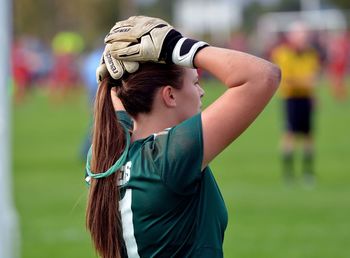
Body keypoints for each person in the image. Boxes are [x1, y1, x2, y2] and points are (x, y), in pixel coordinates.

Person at [85, 16, 280, 258]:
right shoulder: (168, 158)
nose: (202, 92)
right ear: (170, 96)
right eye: (195, 82)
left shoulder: (108, 152)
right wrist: (174, 46)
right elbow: (263, 76)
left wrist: (120, 61)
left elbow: (116, 94)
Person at [271, 22, 320, 185]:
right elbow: (287, 79)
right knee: (289, 135)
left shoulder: (311, 54)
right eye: (300, 35)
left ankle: (308, 173)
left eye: (305, 36)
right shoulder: (283, 53)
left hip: (306, 99)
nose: (303, 39)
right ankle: (288, 174)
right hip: (291, 99)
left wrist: (312, 93)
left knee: (308, 136)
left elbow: (313, 77)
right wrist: (305, 81)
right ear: (292, 37)